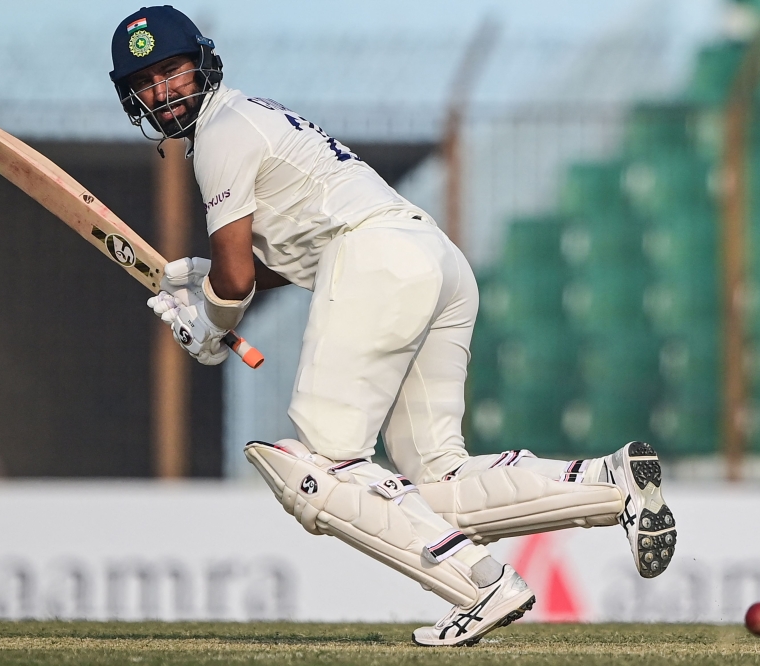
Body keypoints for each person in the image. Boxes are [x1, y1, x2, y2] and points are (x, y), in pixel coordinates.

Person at [109, 6, 676, 646]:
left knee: (323, 468)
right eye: (147, 84)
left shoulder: (219, 134)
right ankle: (611, 484)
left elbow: (236, 282)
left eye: (172, 72)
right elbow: (273, 262)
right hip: (431, 257)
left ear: (201, 64)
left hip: (379, 259)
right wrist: (206, 282)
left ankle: (480, 583)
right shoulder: (251, 118)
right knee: (436, 482)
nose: (163, 93)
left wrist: (207, 327)